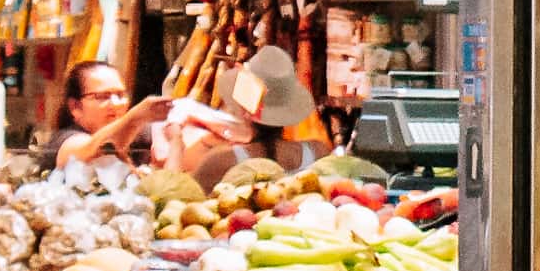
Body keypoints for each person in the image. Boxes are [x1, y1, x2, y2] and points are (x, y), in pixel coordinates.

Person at [182, 46, 332, 190]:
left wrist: (176, 140)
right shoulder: (319, 152)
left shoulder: (222, 161)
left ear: (243, 109)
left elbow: (188, 202)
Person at [46, 60, 169, 168]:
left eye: (121, 95)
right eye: (102, 97)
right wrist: (136, 117)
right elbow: (93, 149)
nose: (116, 104)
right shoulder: (64, 139)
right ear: (75, 106)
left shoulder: (136, 131)